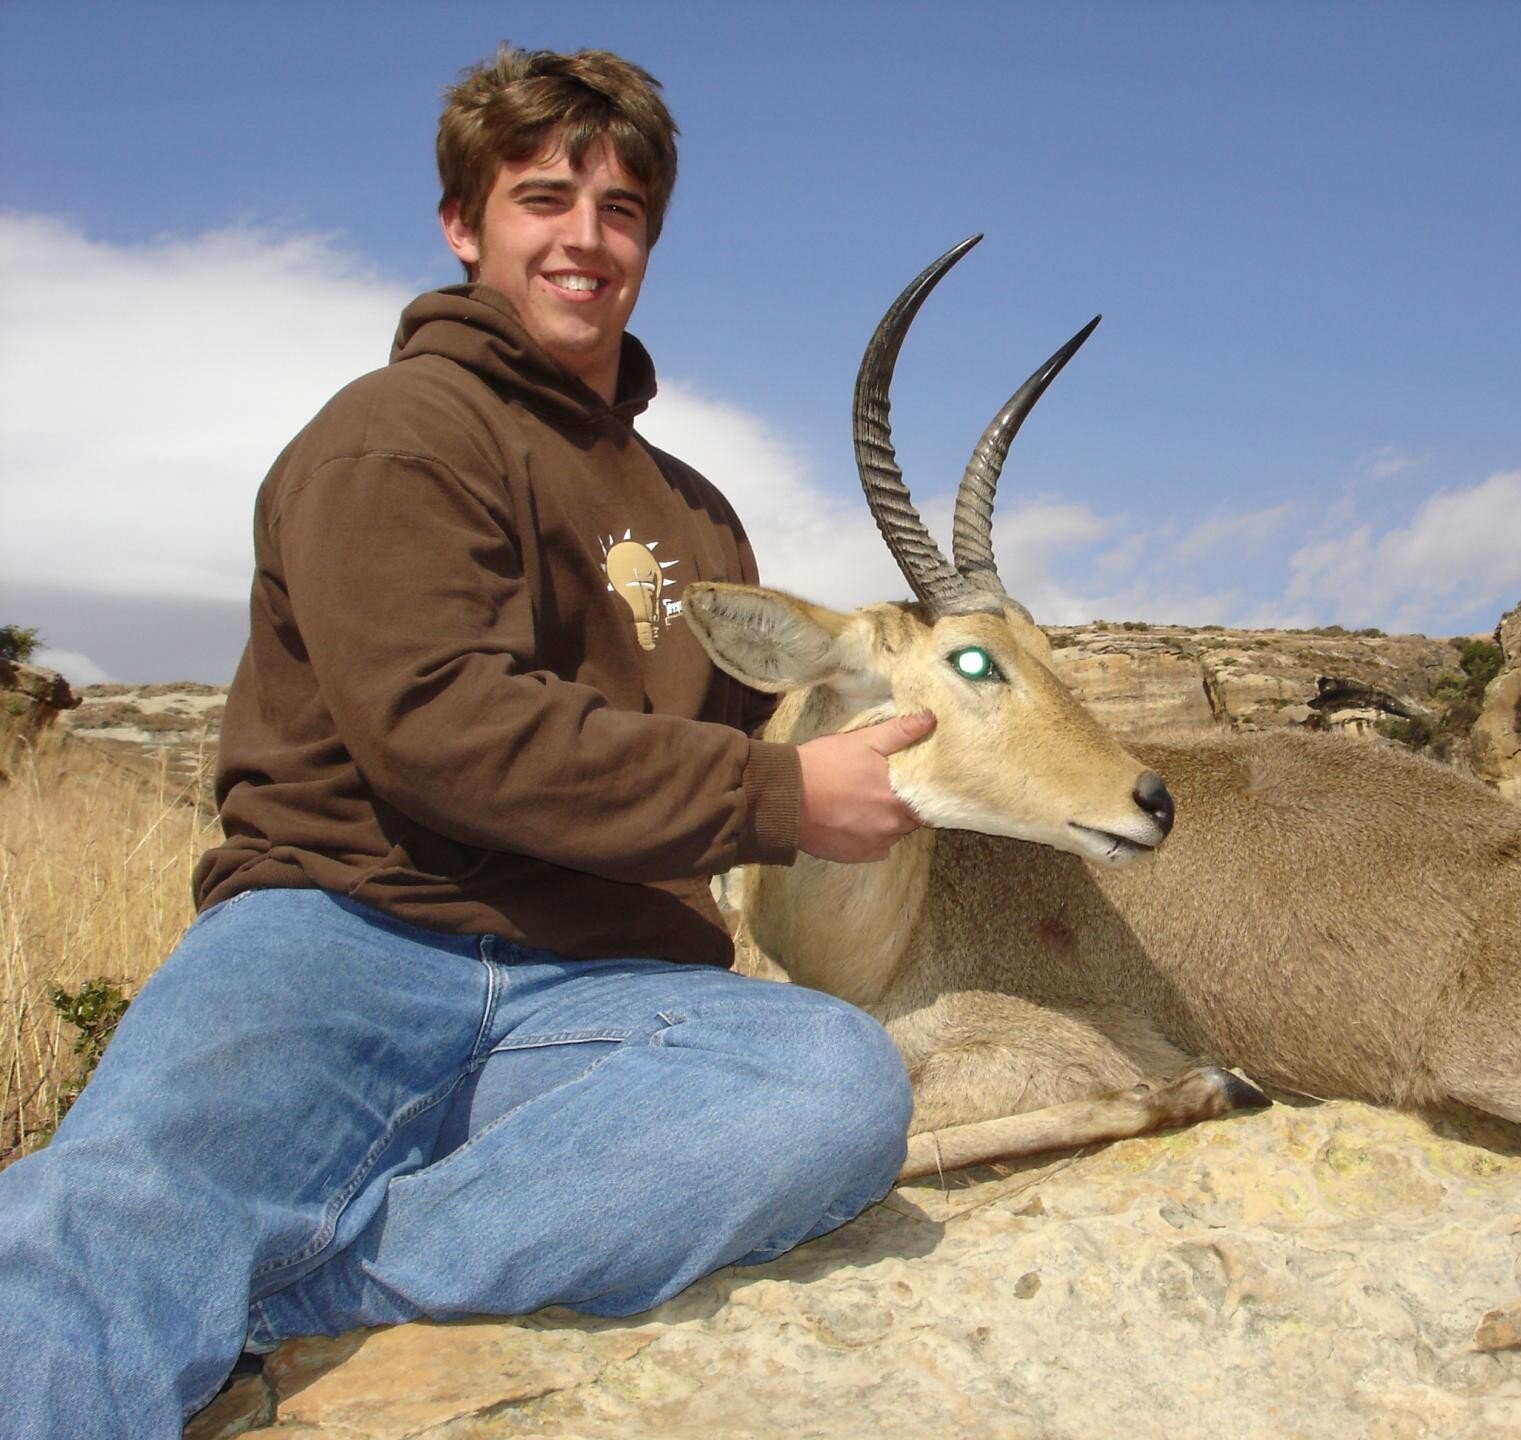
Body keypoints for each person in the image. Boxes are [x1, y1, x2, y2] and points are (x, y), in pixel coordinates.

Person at [0, 46, 925, 1439]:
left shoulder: (700, 514)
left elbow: (761, 725)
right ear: (464, 224)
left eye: (620, 211)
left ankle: (303, 1278)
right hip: (343, 933)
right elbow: (441, 726)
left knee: (831, 1083)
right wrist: (777, 794)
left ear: (649, 242)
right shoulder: (396, 433)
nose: (584, 237)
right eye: (543, 197)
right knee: (110, 1220)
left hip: (604, 986)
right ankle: (179, 1266)